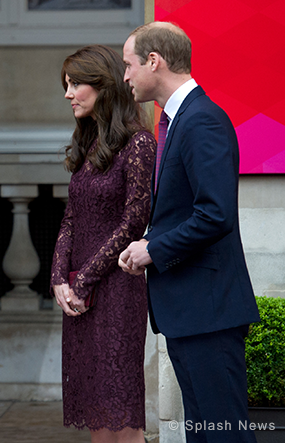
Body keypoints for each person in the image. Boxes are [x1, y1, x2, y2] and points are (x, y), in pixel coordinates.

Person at [119, 22, 260, 443]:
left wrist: (153, 249)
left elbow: (215, 215)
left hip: (208, 313)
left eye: (129, 65)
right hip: (192, 312)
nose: (125, 76)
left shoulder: (202, 121)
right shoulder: (181, 119)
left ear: (153, 61)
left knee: (224, 435)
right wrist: (149, 241)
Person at [50, 45, 155, 443]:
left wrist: (84, 280)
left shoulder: (139, 143)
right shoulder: (88, 142)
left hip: (117, 289)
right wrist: (59, 278)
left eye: (75, 84)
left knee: (120, 408)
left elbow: (134, 222)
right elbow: (72, 217)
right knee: (95, 404)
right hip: (80, 293)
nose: (68, 94)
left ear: (103, 85)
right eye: (66, 85)